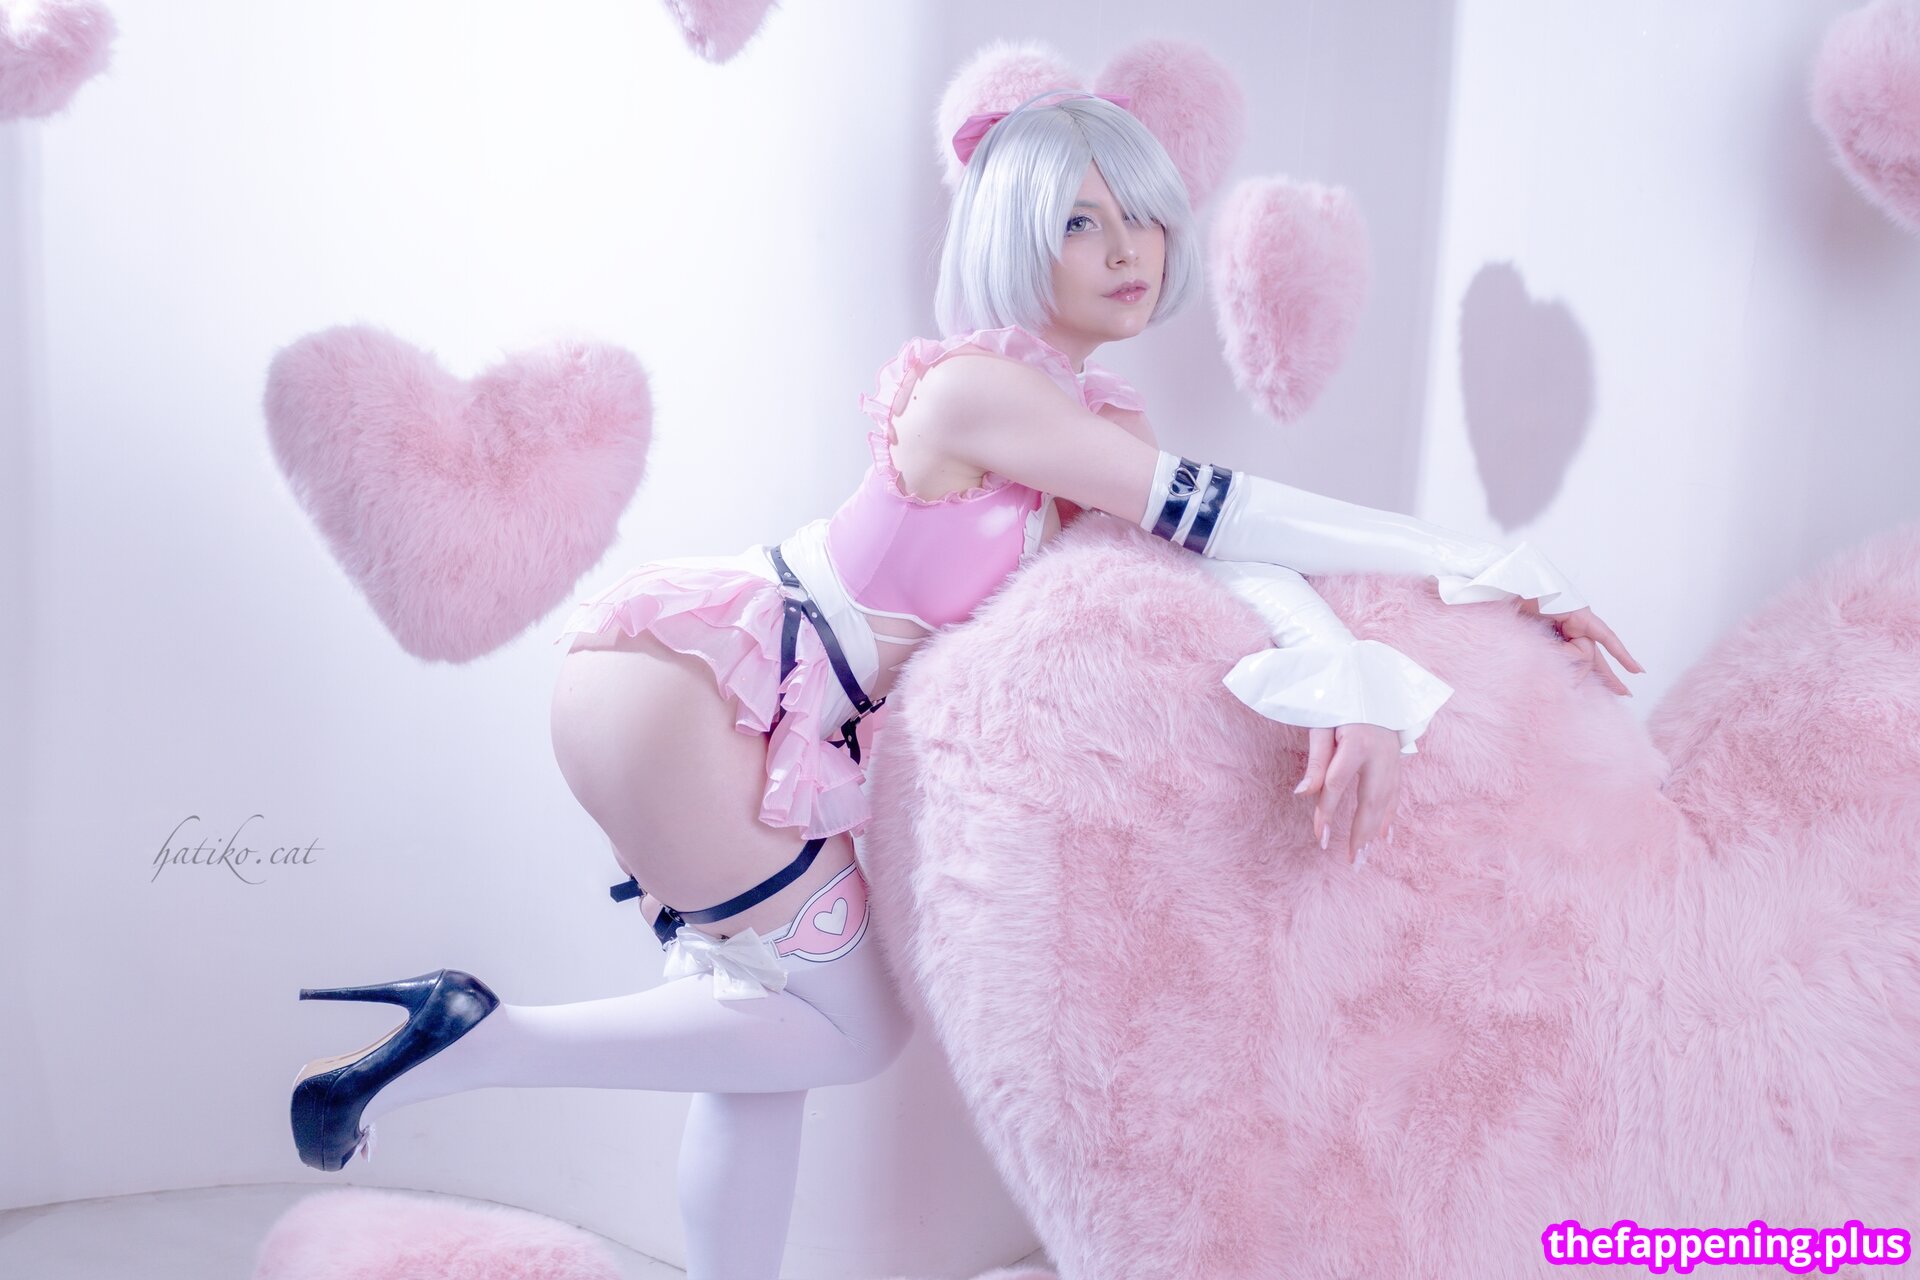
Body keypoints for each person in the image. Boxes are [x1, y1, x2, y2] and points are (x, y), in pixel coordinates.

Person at [288, 89, 1640, 1280]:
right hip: (702, 686)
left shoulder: (1089, 425)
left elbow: (1221, 551)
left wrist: (1343, 665)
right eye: (1080, 222)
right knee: (842, 1028)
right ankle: (477, 1042)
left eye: (1145, 218)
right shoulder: (979, 392)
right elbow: (1231, 511)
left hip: (758, 711)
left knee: (755, 1049)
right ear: (1013, 235)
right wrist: (1480, 557)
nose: (1127, 250)